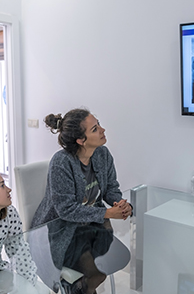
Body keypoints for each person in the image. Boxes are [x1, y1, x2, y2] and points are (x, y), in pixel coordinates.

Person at [31, 108, 132, 294]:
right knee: (97, 274)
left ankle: (77, 288)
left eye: (99, 124)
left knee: (109, 264)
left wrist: (120, 204)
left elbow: (111, 188)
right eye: (94, 129)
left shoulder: (103, 154)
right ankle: (75, 288)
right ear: (80, 140)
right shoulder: (61, 162)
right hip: (59, 232)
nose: (103, 130)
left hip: (89, 228)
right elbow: (66, 210)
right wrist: (107, 213)